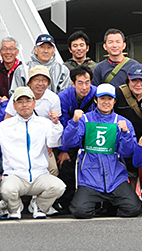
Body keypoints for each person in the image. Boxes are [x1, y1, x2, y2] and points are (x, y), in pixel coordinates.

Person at [0, 87, 66, 219]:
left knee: (59, 186)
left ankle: (40, 206)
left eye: (28, 101)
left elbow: (55, 142)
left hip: (39, 174)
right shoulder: (5, 126)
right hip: (15, 175)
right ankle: (15, 207)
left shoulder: (44, 123)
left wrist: (56, 124)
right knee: (7, 190)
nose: (24, 105)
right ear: (14, 106)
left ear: (34, 103)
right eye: (20, 101)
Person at [62, 83, 142, 219]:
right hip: (90, 177)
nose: (106, 102)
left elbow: (128, 152)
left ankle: (110, 205)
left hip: (115, 177)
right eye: (102, 99)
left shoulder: (123, 122)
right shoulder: (85, 119)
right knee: (80, 211)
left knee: (134, 209)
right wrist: (74, 122)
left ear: (114, 101)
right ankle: (99, 205)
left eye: (109, 99)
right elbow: (69, 142)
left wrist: (126, 133)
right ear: (95, 100)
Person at [55, 65, 97, 213]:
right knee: (66, 166)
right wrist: (63, 150)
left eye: (87, 82)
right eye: (80, 83)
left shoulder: (97, 94)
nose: (85, 87)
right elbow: (62, 123)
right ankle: (66, 203)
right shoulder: (63, 97)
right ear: (72, 83)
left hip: (91, 140)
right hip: (70, 139)